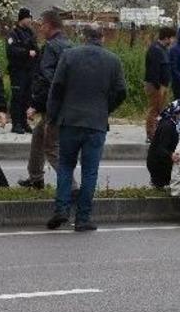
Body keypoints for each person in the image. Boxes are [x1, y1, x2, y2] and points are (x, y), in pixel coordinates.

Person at [45, 25, 127, 232]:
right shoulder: (113, 60)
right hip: (96, 122)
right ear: (102, 38)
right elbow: (121, 91)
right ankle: (83, 218)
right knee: (90, 172)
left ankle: (61, 210)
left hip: (70, 120)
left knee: (65, 166)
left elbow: (56, 88)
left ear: (83, 37)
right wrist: (106, 108)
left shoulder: (68, 56)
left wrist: (52, 117)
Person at [19, 10, 73, 190]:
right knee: (38, 135)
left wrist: (35, 104)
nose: (39, 28)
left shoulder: (50, 47)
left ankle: (71, 186)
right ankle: (35, 177)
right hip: (65, 102)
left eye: (41, 24)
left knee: (51, 147)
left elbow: (49, 79)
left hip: (54, 104)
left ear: (49, 26)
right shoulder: (69, 45)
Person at [6, 7, 38, 134]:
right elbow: (11, 50)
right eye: (28, 18)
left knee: (27, 97)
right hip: (18, 70)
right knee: (17, 97)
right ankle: (16, 123)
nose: (30, 20)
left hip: (29, 70)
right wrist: (26, 52)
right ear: (22, 19)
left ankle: (24, 122)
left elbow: (35, 47)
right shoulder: (13, 33)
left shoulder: (30, 33)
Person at [146, 100, 180, 188]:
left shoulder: (173, 123)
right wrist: (171, 155)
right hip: (158, 164)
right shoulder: (168, 126)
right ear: (177, 112)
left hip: (161, 160)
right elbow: (161, 148)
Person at [144, 27, 175, 141]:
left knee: (160, 110)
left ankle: (157, 132)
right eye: (172, 38)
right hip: (156, 86)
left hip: (162, 85)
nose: (173, 41)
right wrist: (158, 86)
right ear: (166, 38)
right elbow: (154, 70)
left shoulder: (164, 49)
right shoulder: (155, 49)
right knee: (154, 109)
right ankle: (150, 134)